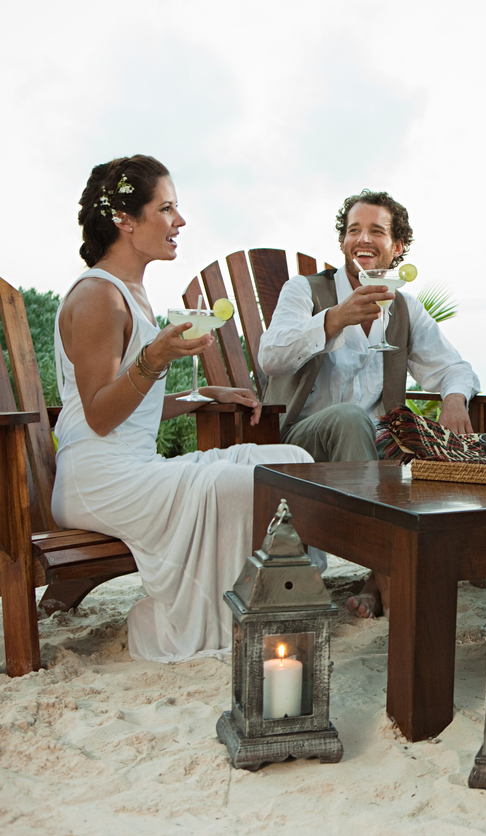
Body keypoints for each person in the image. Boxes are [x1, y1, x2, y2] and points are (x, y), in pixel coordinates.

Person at [51, 155, 315, 663]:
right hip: (97, 479)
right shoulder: (96, 299)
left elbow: (133, 404)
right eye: (167, 208)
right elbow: (100, 416)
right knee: (236, 486)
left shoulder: (135, 294)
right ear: (125, 220)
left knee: (287, 463)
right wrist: (154, 358)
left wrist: (204, 397)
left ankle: (278, 602)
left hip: (134, 467)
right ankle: (190, 624)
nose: (181, 221)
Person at [257, 189, 481, 618]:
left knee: (415, 444)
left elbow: (454, 367)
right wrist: (334, 319)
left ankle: (375, 582)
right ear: (342, 241)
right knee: (350, 417)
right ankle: (389, 577)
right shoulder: (304, 290)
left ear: (396, 247)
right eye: (353, 229)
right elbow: (271, 357)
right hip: (305, 442)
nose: (362, 239)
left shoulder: (404, 307)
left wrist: (454, 398)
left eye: (376, 231)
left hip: (378, 450)